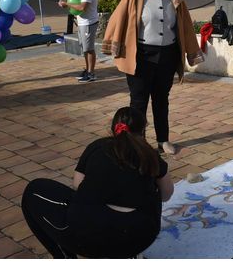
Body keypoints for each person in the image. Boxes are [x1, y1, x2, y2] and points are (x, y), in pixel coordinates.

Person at [21, 107, 174, 258]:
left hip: (89, 238)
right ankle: (127, 254)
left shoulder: (98, 146)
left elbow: (77, 184)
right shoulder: (150, 155)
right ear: (143, 130)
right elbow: (166, 194)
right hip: (139, 237)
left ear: (114, 127)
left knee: (34, 191)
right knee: (155, 188)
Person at [102, 0, 204, 155]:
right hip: (141, 56)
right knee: (138, 101)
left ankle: (163, 140)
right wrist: (113, 44)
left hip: (166, 55)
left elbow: (185, 27)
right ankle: (138, 142)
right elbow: (118, 18)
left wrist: (191, 50)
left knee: (161, 99)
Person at [57, 0, 99, 82]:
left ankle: (91, 73)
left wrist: (67, 4)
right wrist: (65, 2)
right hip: (82, 23)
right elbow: (77, 4)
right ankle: (88, 70)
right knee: (85, 49)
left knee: (89, 49)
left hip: (89, 23)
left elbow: (81, 8)